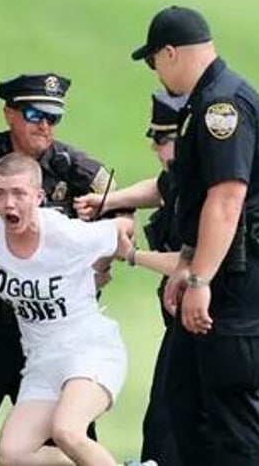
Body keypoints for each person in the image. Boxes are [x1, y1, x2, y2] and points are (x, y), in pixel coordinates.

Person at [130, 5, 259, 465]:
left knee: (229, 417)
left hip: (243, 281)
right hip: (225, 273)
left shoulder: (220, 108)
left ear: (169, 53)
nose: (156, 75)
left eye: (153, 63)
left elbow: (227, 200)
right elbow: (192, 198)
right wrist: (188, 262)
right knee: (183, 404)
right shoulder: (201, 104)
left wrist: (198, 279)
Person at [0, 73, 117, 466]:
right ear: (9, 113)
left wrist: (97, 269)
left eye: (53, 117)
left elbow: (119, 221)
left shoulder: (76, 168)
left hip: (53, 332)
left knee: (68, 437)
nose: (44, 124)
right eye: (33, 114)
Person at [0, 153, 151, 466]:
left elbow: (121, 228)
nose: (9, 204)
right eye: (0, 194)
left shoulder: (66, 234)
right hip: (42, 362)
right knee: (14, 455)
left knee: (68, 432)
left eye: (19, 193)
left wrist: (100, 266)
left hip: (89, 350)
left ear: (39, 197)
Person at [73, 89, 186, 466]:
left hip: (218, 314)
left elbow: (195, 263)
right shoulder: (184, 174)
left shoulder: (210, 185)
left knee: (191, 427)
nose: (156, 147)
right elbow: (161, 186)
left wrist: (132, 255)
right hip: (185, 319)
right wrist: (113, 200)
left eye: (163, 139)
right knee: (164, 423)